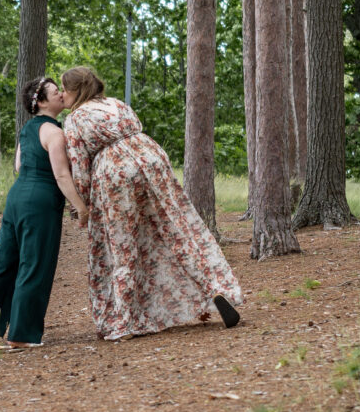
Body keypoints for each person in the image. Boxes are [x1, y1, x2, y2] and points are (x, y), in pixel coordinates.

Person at [60, 66, 243, 341]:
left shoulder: (75, 119)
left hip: (115, 172)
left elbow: (79, 166)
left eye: (65, 89)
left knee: (123, 246)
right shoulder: (117, 104)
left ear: (75, 90)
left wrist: (82, 204)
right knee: (177, 230)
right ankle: (216, 288)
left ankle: (123, 322)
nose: (63, 94)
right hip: (150, 157)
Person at [0, 76, 88, 356]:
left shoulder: (27, 130)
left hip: (17, 197)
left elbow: (20, 165)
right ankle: (21, 335)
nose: (61, 95)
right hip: (40, 202)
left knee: (3, 258)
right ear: (41, 101)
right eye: (56, 92)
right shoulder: (54, 132)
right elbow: (60, 174)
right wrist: (80, 206)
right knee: (35, 263)